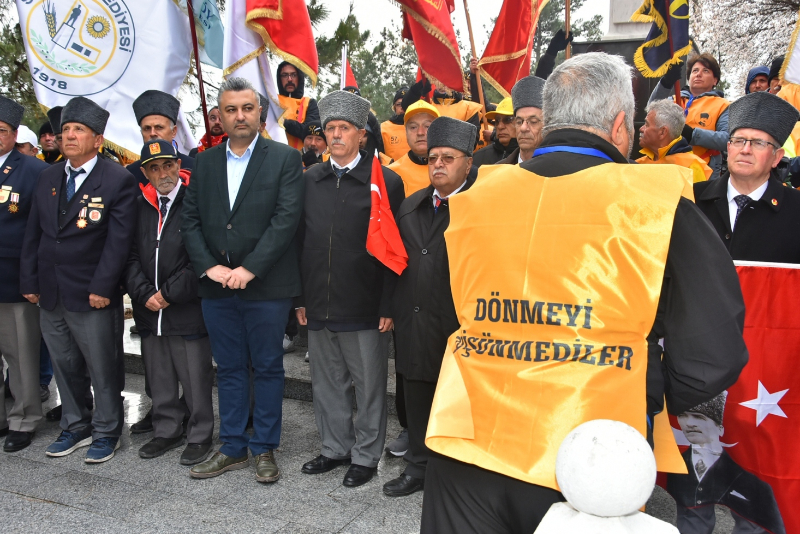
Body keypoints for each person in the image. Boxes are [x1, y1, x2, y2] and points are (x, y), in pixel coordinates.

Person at [419, 52, 748, 534]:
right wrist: (648, 388)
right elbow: (714, 350)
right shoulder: (654, 206)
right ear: (620, 126)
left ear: (550, 119)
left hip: (468, 441)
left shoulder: (471, 199)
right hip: (593, 454)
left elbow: (450, 310)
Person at [182, 77, 304, 483]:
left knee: (268, 367)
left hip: (266, 286)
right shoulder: (204, 162)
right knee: (230, 368)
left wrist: (249, 269)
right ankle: (233, 446)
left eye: (247, 108)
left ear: (260, 113)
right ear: (219, 116)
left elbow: (286, 220)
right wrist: (208, 267)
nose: (239, 116)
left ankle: (265, 447)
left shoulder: (285, 159)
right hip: (216, 287)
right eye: (231, 109)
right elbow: (191, 221)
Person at [20, 96, 138, 464]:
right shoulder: (48, 176)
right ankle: (75, 424)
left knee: (102, 365)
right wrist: (30, 279)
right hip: (51, 291)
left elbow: (119, 243)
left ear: (97, 139)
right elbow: (34, 233)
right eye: (66, 129)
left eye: (79, 130)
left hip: (92, 294)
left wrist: (104, 288)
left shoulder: (116, 179)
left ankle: (107, 430)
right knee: (63, 362)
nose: (69, 136)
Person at [296, 90, 404, 488]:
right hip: (319, 302)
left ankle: (366, 455)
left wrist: (388, 304)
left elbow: (394, 249)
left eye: (344, 128)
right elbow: (299, 240)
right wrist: (301, 299)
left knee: (370, 386)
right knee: (326, 384)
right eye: (330, 128)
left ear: (362, 135)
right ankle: (334, 448)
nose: (336, 135)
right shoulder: (311, 179)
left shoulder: (385, 182)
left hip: (365, 305)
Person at [383, 116, 478, 498]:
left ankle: (459, 472)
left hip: (460, 324)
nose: (438, 164)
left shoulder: (482, 209)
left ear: (468, 162)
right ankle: (418, 466)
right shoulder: (411, 206)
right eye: (433, 157)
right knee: (418, 398)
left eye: (448, 158)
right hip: (415, 320)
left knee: (460, 401)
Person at [124, 139, 215, 465]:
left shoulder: (197, 202)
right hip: (150, 312)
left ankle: (200, 433)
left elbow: (203, 258)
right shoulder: (140, 205)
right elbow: (130, 255)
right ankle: (166, 430)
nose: (162, 173)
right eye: (154, 167)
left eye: (168, 165)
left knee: (195, 379)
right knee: (159, 378)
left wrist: (169, 293)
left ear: (178, 165)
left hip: (185, 310)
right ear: (146, 172)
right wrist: (144, 292)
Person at [694, 91, 800, 263]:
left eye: (758, 143)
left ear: (777, 157)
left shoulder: (796, 209)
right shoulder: (693, 199)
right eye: (739, 140)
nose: (745, 150)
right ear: (728, 148)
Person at [0, 96, 49, 452]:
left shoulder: (32, 170)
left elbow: (39, 230)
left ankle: (23, 418)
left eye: (1, 131)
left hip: (12, 279)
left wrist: (33, 278)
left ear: (14, 134)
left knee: (21, 355)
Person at [667, 394, 785, 534]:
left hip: (745, 389)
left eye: (699, 417)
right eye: (683, 415)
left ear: (720, 427)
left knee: (752, 520)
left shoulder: (750, 478)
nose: (689, 423)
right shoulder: (680, 464)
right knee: (689, 509)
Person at [651, 53, 730, 179]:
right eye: (695, 71)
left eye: (705, 71)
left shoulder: (723, 105)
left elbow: (727, 139)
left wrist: (693, 134)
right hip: (668, 169)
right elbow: (652, 109)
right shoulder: (673, 100)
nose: (699, 74)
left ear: (715, 80)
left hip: (703, 174)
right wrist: (666, 83)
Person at [127, 90, 195, 187]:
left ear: (174, 131)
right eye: (147, 128)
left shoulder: (195, 167)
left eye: (159, 127)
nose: (152, 133)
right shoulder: (131, 174)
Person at [637, 99, 712, 183]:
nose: (641, 128)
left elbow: (698, 196)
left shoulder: (691, 167)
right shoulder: (638, 164)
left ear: (662, 132)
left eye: (647, 125)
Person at [388, 100, 440, 196]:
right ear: (406, 133)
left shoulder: (454, 170)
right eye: (413, 127)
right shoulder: (391, 175)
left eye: (427, 126)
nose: (420, 132)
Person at [496, 76, 546, 165]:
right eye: (519, 122)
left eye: (533, 121)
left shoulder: (560, 173)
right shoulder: (498, 172)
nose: (523, 128)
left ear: (547, 125)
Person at [277, 61, 320, 151]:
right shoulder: (272, 101)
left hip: (300, 161)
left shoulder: (310, 103)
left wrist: (283, 122)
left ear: (299, 77)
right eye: (285, 75)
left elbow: (309, 132)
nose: (289, 79)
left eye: (293, 75)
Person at [472, 97, 518, 167]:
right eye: (497, 121)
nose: (500, 126)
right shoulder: (479, 158)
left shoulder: (530, 158)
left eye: (508, 119)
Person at [381, 86, 411, 162]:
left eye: (406, 103)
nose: (403, 107)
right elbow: (377, 152)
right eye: (399, 104)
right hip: (391, 171)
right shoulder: (384, 128)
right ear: (394, 107)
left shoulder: (421, 128)